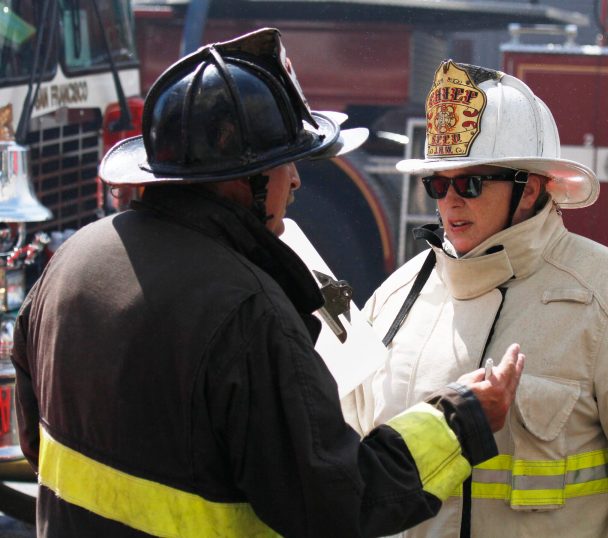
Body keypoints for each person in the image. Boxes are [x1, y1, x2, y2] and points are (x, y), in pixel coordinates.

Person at [10, 31, 526, 537]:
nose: (297, 181)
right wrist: (458, 422)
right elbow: (339, 503)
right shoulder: (248, 314)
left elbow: (36, 439)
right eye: (284, 164)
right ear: (244, 180)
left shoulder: (72, 259)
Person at [342, 60, 608, 537]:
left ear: (530, 188)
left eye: (470, 183)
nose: (450, 201)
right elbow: (345, 465)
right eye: (438, 184)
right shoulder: (396, 302)